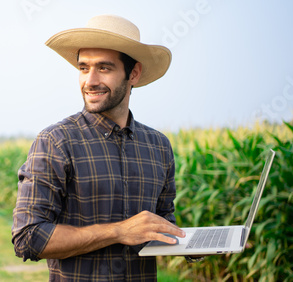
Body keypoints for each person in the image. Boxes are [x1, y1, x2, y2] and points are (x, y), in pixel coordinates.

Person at [12, 14, 197, 281]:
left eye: (104, 68)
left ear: (133, 73)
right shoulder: (56, 141)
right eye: (84, 68)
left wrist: (196, 245)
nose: (90, 81)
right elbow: (28, 237)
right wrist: (119, 231)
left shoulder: (159, 146)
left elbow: (162, 222)